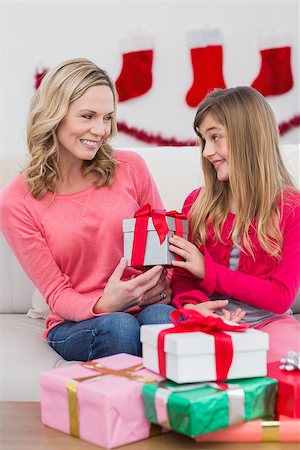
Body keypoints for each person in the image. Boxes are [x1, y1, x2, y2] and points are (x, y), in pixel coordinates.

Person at [0, 58, 242, 362]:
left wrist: (165, 287)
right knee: (119, 326)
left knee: (161, 319)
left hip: (146, 306)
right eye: (88, 116)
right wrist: (104, 304)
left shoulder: (130, 168)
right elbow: (57, 294)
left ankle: (174, 407)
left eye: (107, 118)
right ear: (54, 116)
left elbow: (163, 249)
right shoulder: (17, 200)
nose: (100, 130)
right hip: (79, 321)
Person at [169, 86, 300, 363]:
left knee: (286, 357)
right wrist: (194, 306)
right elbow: (182, 276)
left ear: (248, 137)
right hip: (208, 321)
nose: (207, 152)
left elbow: (281, 297)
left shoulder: (292, 209)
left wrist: (209, 271)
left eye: (215, 137)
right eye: (204, 140)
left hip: (270, 323)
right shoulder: (197, 203)